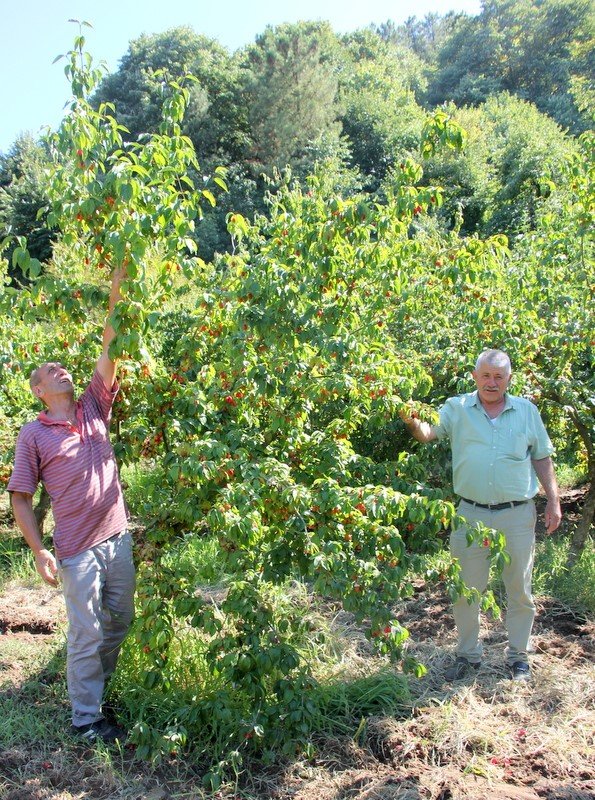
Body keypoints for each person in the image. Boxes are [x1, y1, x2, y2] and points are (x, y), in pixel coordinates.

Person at [8, 267, 134, 742]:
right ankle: (86, 718)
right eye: (49, 372)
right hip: (78, 550)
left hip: (117, 538)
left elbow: (111, 345)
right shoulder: (34, 434)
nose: (62, 369)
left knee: (118, 623)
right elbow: (21, 497)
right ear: (39, 390)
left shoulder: (93, 406)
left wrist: (119, 285)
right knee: (87, 633)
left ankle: (92, 690)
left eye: (63, 367)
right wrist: (39, 549)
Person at [401, 349, 562, 681]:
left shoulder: (526, 412)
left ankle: (518, 656)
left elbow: (542, 457)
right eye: (486, 375)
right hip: (469, 514)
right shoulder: (457, 408)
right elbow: (428, 433)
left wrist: (553, 500)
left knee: (519, 589)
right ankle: (467, 655)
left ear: (509, 380)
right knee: (465, 589)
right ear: (474, 376)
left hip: (516, 514)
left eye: (499, 376)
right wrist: (409, 418)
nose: (492, 382)